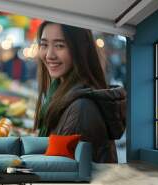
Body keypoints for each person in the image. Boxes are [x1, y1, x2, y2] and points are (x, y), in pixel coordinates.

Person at [33, 21, 126, 163]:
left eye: (59, 45)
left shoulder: (81, 110)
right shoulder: (59, 94)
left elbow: (60, 174)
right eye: (44, 45)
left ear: (80, 50)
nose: (49, 55)